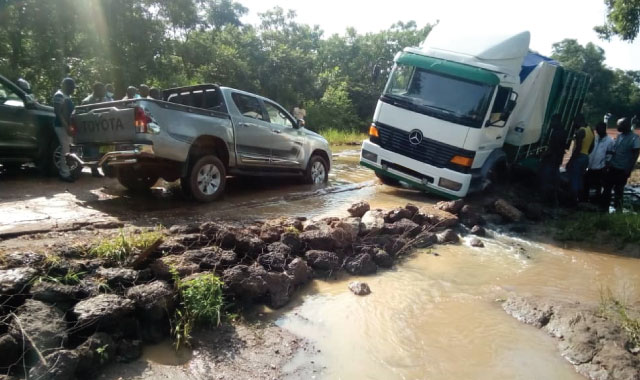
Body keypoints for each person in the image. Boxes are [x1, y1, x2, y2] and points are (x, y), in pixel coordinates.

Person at [601, 117, 640, 211]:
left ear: (625, 126)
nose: (617, 126)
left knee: (618, 191)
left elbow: (635, 155)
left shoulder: (634, 138)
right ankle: (604, 208)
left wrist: (629, 169)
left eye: (619, 124)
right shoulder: (619, 136)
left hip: (622, 169)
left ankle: (617, 210)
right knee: (607, 188)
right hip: (612, 167)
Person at [538, 114, 568, 204]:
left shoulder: (556, 133)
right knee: (554, 179)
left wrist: (543, 155)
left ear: (557, 121)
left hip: (551, 159)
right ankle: (554, 199)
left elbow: (552, 148)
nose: (551, 123)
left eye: (552, 121)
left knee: (545, 178)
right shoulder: (563, 131)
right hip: (558, 159)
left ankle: (544, 199)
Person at [565, 114, 594, 206]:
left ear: (578, 121)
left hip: (579, 157)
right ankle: (580, 199)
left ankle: (573, 201)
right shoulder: (590, 129)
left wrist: (571, 161)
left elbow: (578, 148)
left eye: (574, 122)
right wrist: (586, 153)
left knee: (574, 179)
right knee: (580, 178)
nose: (574, 124)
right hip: (586, 157)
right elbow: (592, 146)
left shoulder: (580, 132)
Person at [81, 82, 108, 178]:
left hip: (104, 128)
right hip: (92, 129)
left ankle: (106, 169)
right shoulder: (87, 101)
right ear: (96, 90)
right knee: (92, 149)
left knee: (105, 149)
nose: (104, 92)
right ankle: (94, 169)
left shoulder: (105, 100)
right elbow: (83, 115)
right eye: (102, 90)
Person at [582, 122, 614, 202]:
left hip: (600, 167)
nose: (597, 130)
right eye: (596, 129)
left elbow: (609, 155)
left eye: (599, 129)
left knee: (598, 185)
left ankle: (596, 201)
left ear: (604, 129)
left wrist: (606, 166)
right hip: (590, 166)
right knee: (586, 183)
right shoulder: (595, 138)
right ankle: (585, 200)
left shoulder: (610, 141)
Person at [52, 77, 76, 182]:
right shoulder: (59, 95)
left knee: (68, 149)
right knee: (65, 149)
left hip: (67, 126)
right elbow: (59, 113)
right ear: (66, 86)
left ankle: (68, 171)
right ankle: (64, 174)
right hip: (61, 126)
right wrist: (67, 127)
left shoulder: (66, 96)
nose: (73, 89)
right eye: (72, 87)